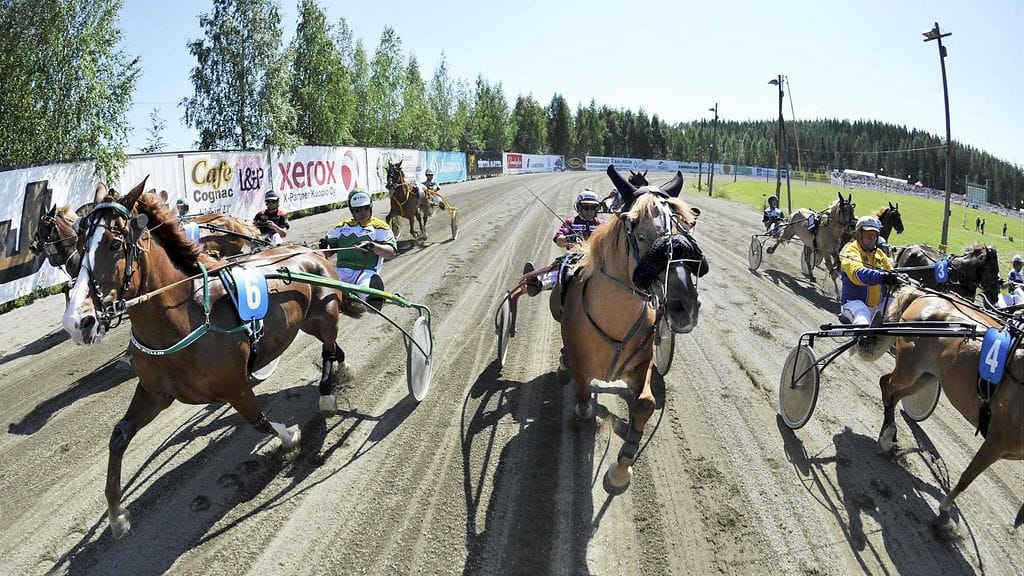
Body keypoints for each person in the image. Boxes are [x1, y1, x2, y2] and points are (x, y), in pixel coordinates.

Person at [320, 189, 397, 311]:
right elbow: (328, 252)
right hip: (341, 271)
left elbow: (391, 253)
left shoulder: (380, 227)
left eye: (365, 208)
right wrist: (324, 247)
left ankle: (373, 298)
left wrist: (373, 247)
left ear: (370, 207)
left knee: (365, 292)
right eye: (357, 210)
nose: (362, 212)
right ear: (352, 210)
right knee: (320, 286)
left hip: (366, 272)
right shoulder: (342, 226)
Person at [525, 189, 605, 296]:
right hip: (575, 258)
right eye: (586, 207)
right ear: (579, 207)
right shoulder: (570, 222)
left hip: (597, 259)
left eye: (593, 207)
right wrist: (569, 239)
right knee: (564, 270)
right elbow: (558, 240)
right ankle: (539, 284)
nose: (589, 211)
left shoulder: (602, 224)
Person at [839, 216, 897, 351]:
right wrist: (883, 277)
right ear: (859, 235)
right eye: (868, 235)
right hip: (853, 303)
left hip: (877, 304)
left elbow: (891, 274)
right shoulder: (851, 251)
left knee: (900, 306)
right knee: (861, 314)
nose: (872, 239)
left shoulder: (880, 254)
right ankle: (863, 342)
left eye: (874, 235)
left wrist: (897, 279)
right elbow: (858, 275)